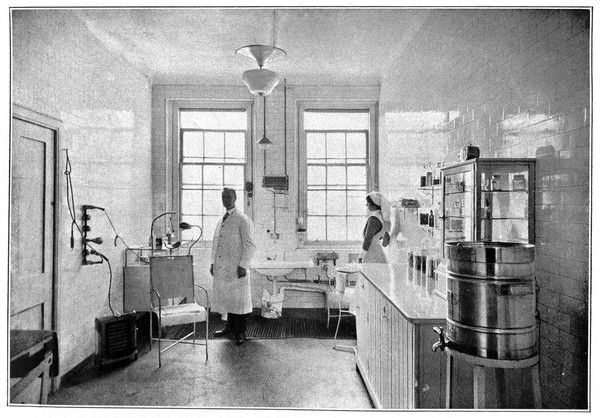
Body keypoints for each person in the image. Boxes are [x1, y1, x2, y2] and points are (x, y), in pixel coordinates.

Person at [210, 188, 257, 345]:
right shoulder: (222, 220)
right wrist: (213, 264)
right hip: (224, 268)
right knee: (228, 299)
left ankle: (241, 332)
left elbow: (250, 245)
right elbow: (216, 244)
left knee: (239, 301)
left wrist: (243, 264)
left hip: (237, 268)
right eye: (223, 197)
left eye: (229, 197)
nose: (226, 200)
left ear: (235, 198)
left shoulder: (242, 219)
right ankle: (229, 328)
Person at [358, 191, 391, 264]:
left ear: (374, 204)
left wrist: (361, 256)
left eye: (368, 203)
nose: (366, 205)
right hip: (378, 253)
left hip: (371, 254)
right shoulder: (381, 217)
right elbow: (385, 242)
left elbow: (368, 239)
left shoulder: (373, 219)